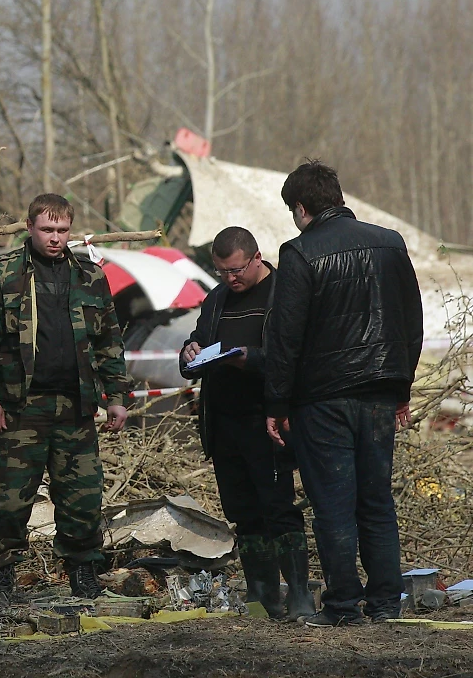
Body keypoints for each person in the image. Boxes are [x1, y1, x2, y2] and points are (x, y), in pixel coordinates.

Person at [264, 160, 424, 627]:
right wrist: (402, 387)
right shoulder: (391, 244)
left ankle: (342, 608)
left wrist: (276, 404)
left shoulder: (299, 252)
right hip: (379, 395)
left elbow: (285, 338)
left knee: (334, 505)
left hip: (322, 399)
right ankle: (385, 606)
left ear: (300, 207)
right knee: (376, 502)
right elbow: (410, 321)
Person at [0, 193, 129, 603]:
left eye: (63, 230)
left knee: (83, 498)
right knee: (10, 500)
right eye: (47, 230)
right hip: (22, 409)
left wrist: (117, 395)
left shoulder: (90, 276)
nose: (55, 238)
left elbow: (109, 341)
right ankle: (2, 577)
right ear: (30, 228)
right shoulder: (3, 274)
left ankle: (83, 573)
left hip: (75, 407)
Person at [179, 226, 313, 620]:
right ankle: (261, 597)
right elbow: (197, 348)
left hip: (266, 419)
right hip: (223, 422)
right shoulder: (217, 298)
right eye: (221, 271)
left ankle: (300, 595)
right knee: (242, 511)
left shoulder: (283, 293)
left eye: (236, 270)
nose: (230, 278)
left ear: (256, 258)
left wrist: (249, 359)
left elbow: (294, 359)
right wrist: (189, 354)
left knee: (278, 507)